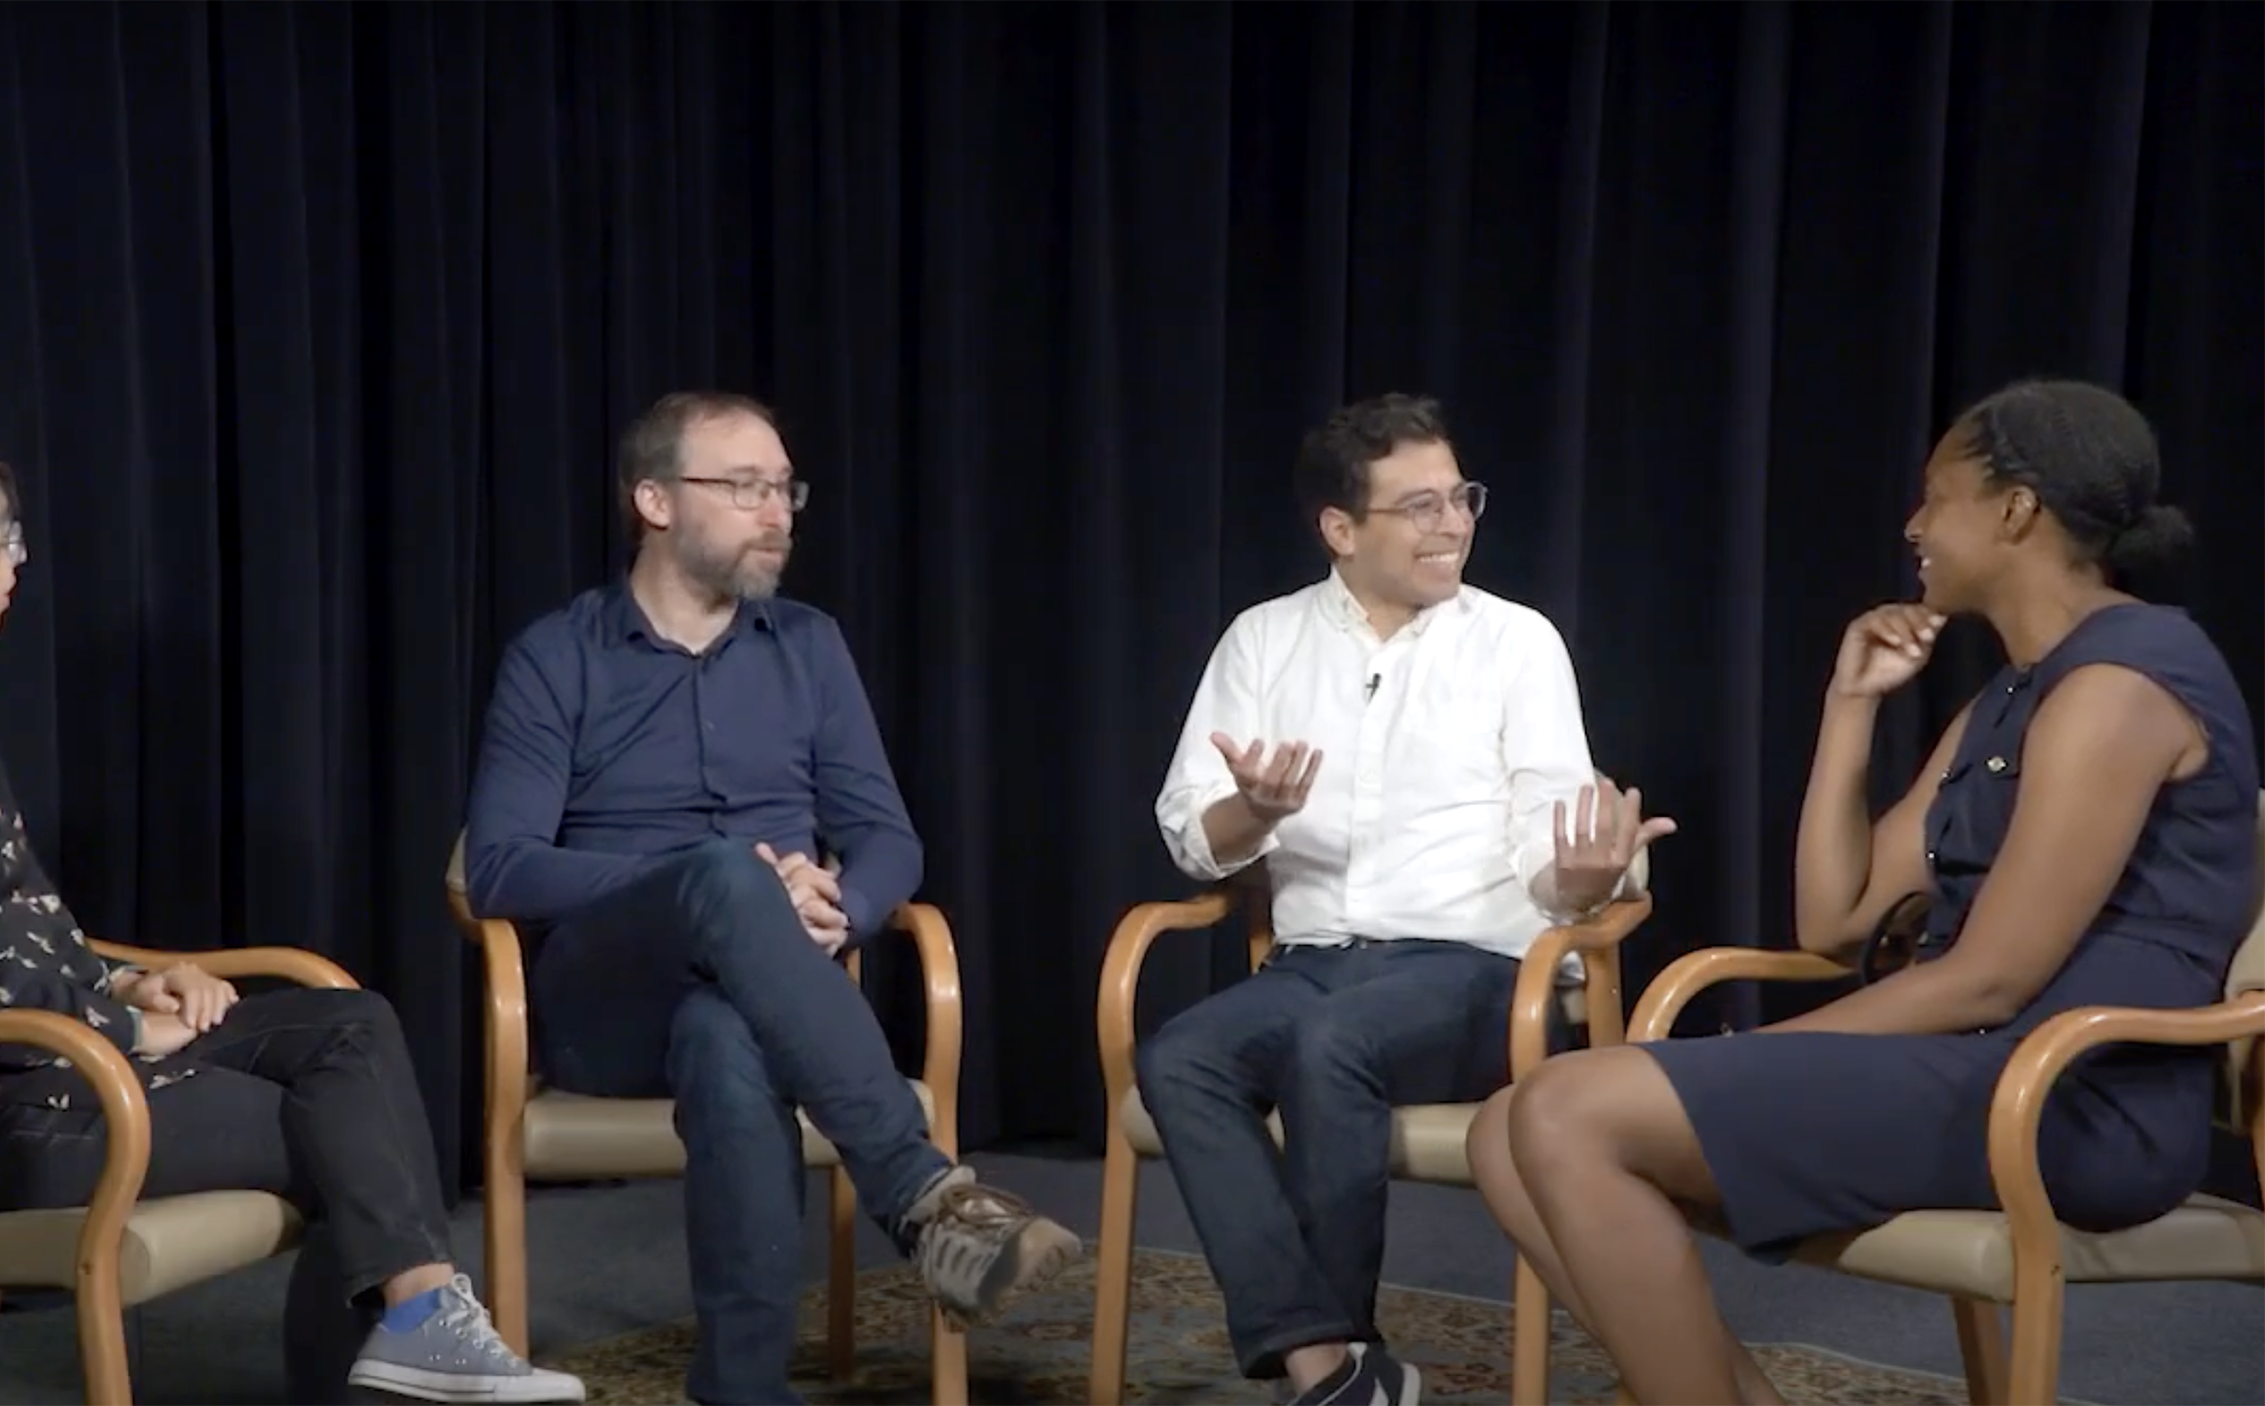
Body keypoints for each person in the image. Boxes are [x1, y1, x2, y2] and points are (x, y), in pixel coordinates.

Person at [1465, 379, 2258, 1406]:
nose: (1913, 525)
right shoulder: (2013, 693)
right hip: (1967, 1069)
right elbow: (1837, 920)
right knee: (1504, 1128)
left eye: (1937, 497)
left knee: (1569, 1112)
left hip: (2072, 1096)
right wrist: (1849, 711)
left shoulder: (2121, 684)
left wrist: (1759, 1054)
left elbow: (1990, 978)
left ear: (2016, 509)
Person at [0, 421, 585, 1405]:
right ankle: (412, 1339)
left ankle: (414, 1335)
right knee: (341, 1126)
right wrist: (122, 1026)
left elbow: (3, 926)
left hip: (42, 1069)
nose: (17, 559)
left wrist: (123, 978)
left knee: (348, 1025)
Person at [462, 390, 1082, 1406]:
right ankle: (924, 1196)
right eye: (744, 487)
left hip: (757, 988)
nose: (778, 512)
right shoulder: (558, 654)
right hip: (609, 997)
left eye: (784, 488)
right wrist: (714, 880)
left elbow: (885, 834)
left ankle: (742, 1388)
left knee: (725, 1034)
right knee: (719, 876)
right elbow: (502, 865)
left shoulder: (808, 643)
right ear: (655, 500)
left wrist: (843, 898)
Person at [1140, 393, 1670, 1406]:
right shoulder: (1264, 639)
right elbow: (1189, 833)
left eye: (1459, 497)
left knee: (1331, 1039)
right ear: (1340, 529)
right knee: (1180, 1053)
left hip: (1471, 973)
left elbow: (1550, 850)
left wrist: (1593, 876)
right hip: (1311, 963)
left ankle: (1334, 1371)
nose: (1453, 523)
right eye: (1418, 506)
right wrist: (1250, 813)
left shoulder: (1516, 643)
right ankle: (1329, 1365)